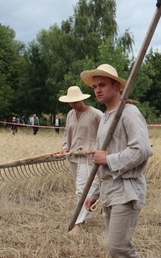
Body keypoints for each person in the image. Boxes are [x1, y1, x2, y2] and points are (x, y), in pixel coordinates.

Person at [81, 64, 153, 257]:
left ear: (116, 87)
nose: (97, 90)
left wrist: (109, 159)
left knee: (119, 248)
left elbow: (142, 149)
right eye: (95, 86)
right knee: (117, 250)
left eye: (102, 85)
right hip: (110, 190)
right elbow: (100, 160)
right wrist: (94, 193)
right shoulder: (106, 117)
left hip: (126, 190)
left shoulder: (128, 112)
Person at [59, 86, 103, 236]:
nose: (72, 104)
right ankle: (88, 212)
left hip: (89, 157)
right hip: (73, 156)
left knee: (81, 190)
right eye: (70, 102)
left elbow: (106, 132)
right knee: (81, 188)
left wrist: (101, 150)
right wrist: (65, 148)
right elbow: (67, 133)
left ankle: (79, 223)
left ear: (82, 99)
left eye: (75, 101)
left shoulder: (96, 114)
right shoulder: (70, 114)